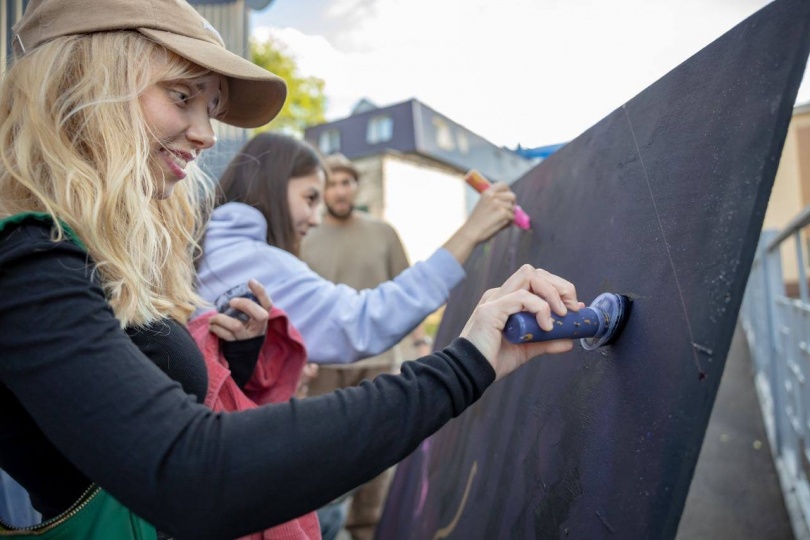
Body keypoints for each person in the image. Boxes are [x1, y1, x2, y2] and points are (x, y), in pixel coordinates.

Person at [0, 1, 583, 539]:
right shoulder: (28, 258)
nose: (206, 134)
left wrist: (235, 358)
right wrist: (465, 364)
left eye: (212, 109)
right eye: (182, 97)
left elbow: (120, 410)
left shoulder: (88, 251)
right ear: (85, 86)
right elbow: (191, 470)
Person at [197, 132, 519, 368]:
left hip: (370, 367)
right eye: (310, 199)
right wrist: (470, 233)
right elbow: (358, 320)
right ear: (273, 186)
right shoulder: (254, 259)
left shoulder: (215, 243)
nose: (315, 217)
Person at [298, 153, 427, 540]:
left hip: (377, 361)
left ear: (356, 186)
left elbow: (408, 292)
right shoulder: (307, 235)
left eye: (346, 182)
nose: (340, 190)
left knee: (375, 448)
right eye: (332, 183)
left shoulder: (382, 232)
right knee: (320, 450)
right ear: (322, 190)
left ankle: (367, 528)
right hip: (321, 366)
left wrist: (420, 341)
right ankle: (317, 527)